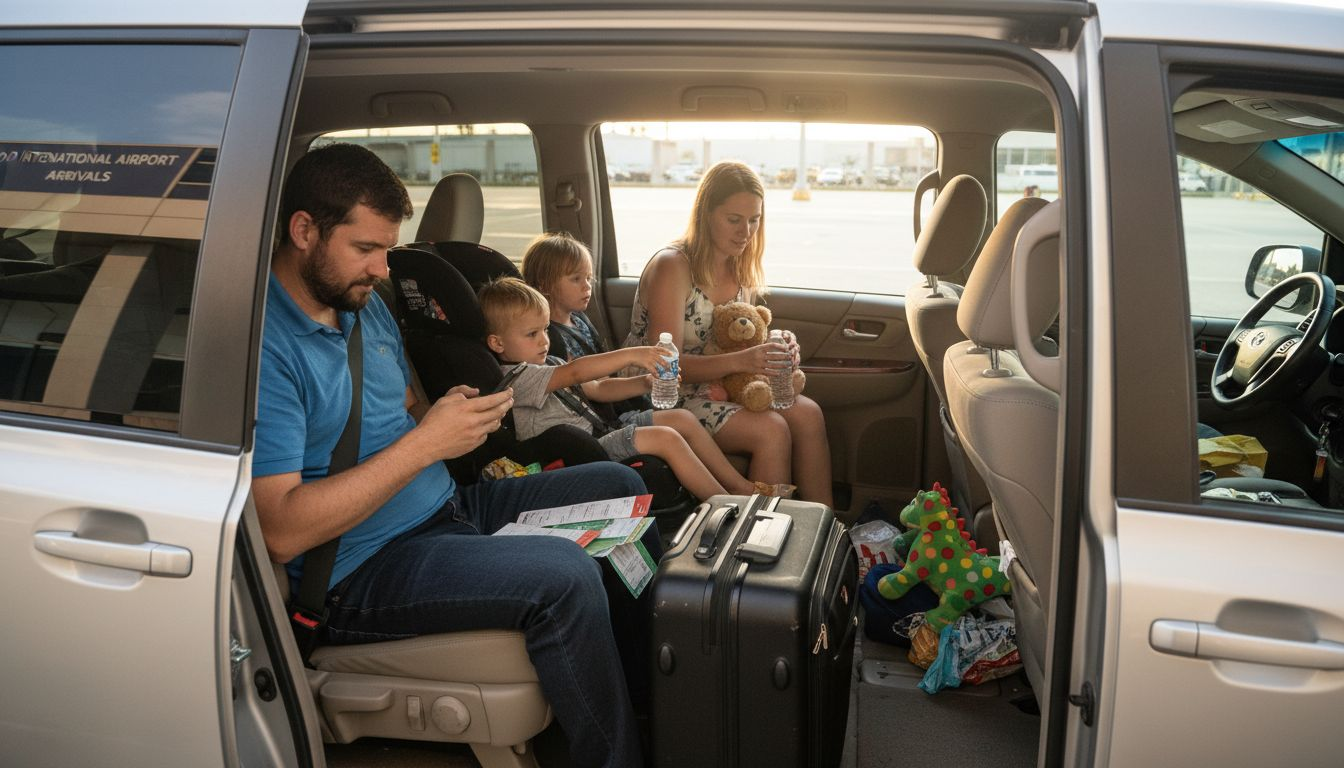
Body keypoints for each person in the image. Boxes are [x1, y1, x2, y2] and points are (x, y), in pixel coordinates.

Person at [251, 143, 645, 768]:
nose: (383, 268)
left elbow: (406, 407)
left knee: (620, 484)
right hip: (361, 566)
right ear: (304, 230)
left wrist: (454, 417)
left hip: (448, 505)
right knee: (563, 576)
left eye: (388, 248)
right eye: (366, 249)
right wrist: (424, 445)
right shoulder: (264, 348)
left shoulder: (363, 304)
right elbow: (281, 530)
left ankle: (641, 694)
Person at [625, 160, 834, 505]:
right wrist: (747, 358)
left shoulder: (740, 267)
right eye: (734, 220)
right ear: (706, 214)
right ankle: (763, 538)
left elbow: (736, 338)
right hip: (661, 393)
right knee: (771, 429)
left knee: (808, 413)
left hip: (719, 385)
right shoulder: (673, 266)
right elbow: (665, 367)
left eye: (755, 220)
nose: (746, 232)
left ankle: (827, 529)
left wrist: (773, 349)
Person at [480, 276, 781, 499]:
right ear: (497, 343)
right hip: (583, 455)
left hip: (602, 429)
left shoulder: (549, 361)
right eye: (532, 334)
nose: (544, 340)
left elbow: (597, 388)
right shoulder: (516, 378)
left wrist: (643, 382)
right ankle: (724, 504)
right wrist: (634, 354)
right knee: (666, 438)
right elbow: (575, 373)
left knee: (681, 418)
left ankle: (741, 487)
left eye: (545, 329)